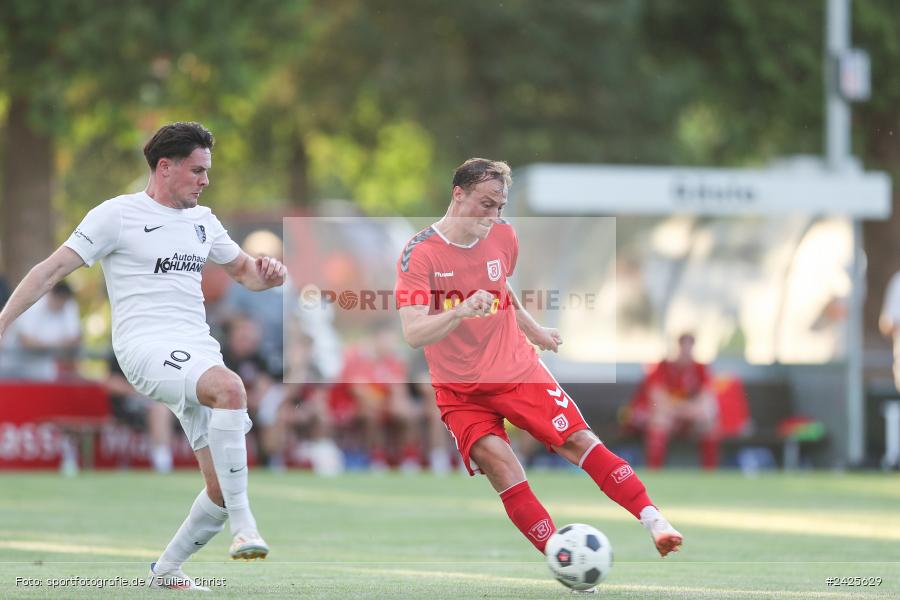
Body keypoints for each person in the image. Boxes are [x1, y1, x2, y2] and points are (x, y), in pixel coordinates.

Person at [0, 122, 286, 590]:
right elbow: (49, 271)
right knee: (231, 387)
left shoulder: (204, 221)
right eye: (197, 170)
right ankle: (246, 525)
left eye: (207, 171)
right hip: (143, 348)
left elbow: (245, 273)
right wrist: (3, 322)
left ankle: (165, 571)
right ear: (165, 167)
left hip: (196, 349)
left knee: (217, 490)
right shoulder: (117, 215)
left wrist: (269, 275)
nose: (205, 180)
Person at [395, 158, 682, 558]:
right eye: (486, 203)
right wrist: (459, 311)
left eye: (501, 206)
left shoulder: (504, 237)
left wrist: (534, 330)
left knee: (577, 441)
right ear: (457, 195)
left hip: (517, 370)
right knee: (502, 466)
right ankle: (564, 557)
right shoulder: (420, 254)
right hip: (460, 391)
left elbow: (502, 287)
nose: (494, 215)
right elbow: (413, 332)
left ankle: (655, 520)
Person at [642, 333, 719, 470]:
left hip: (690, 418)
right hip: (671, 417)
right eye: (683, 346)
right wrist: (682, 409)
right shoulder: (663, 367)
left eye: (689, 346)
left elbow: (707, 398)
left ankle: (710, 472)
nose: (686, 350)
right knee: (659, 419)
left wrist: (687, 410)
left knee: (709, 420)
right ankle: (654, 472)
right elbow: (657, 398)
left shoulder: (700, 369)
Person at [0, 281, 81, 380]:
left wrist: (43, 344)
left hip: (42, 367)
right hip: (12, 363)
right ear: (51, 295)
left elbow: (75, 340)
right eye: (59, 300)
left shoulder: (69, 306)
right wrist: (58, 344)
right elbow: (26, 341)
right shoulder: (33, 303)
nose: (60, 304)